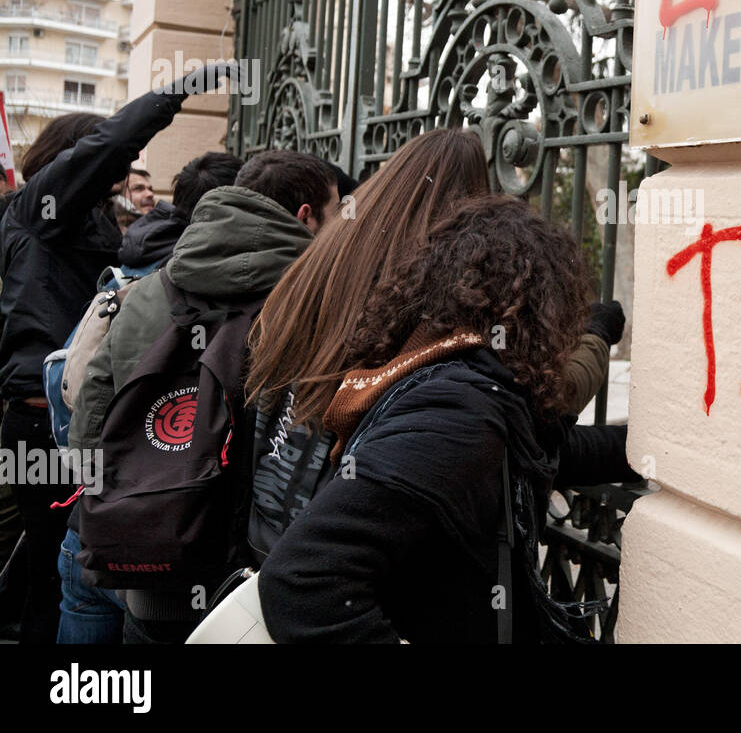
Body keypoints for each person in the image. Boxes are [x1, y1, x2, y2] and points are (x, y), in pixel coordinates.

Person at [242, 130, 628, 563]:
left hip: (272, 522)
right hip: (346, 551)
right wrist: (594, 337)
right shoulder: (433, 288)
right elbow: (525, 406)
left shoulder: (322, 262)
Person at [258, 195, 606, 642]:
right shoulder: (460, 408)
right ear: (536, 306)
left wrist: (649, 454)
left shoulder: (439, 370)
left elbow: (529, 452)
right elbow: (300, 581)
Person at [66, 149, 339, 644]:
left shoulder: (149, 289)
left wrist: (118, 513)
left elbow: (90, 419)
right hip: (247, 600)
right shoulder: (310, 310)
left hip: (146, 578)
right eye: (336, 213)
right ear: (305, 216)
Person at [0, 63, 231, 643]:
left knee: (63, 572)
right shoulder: (39, 211)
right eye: (107, 163)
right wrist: (171, 94)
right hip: (42, 424)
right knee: (56, 581)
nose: (124, 171)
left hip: (75, 417)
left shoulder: (84, 223)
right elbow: (105, 149)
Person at [53, 150, 242, 644]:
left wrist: (108, 495)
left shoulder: (128, 281)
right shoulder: (260, 297)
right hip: (182, 560)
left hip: (96, 531)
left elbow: (83, 408)